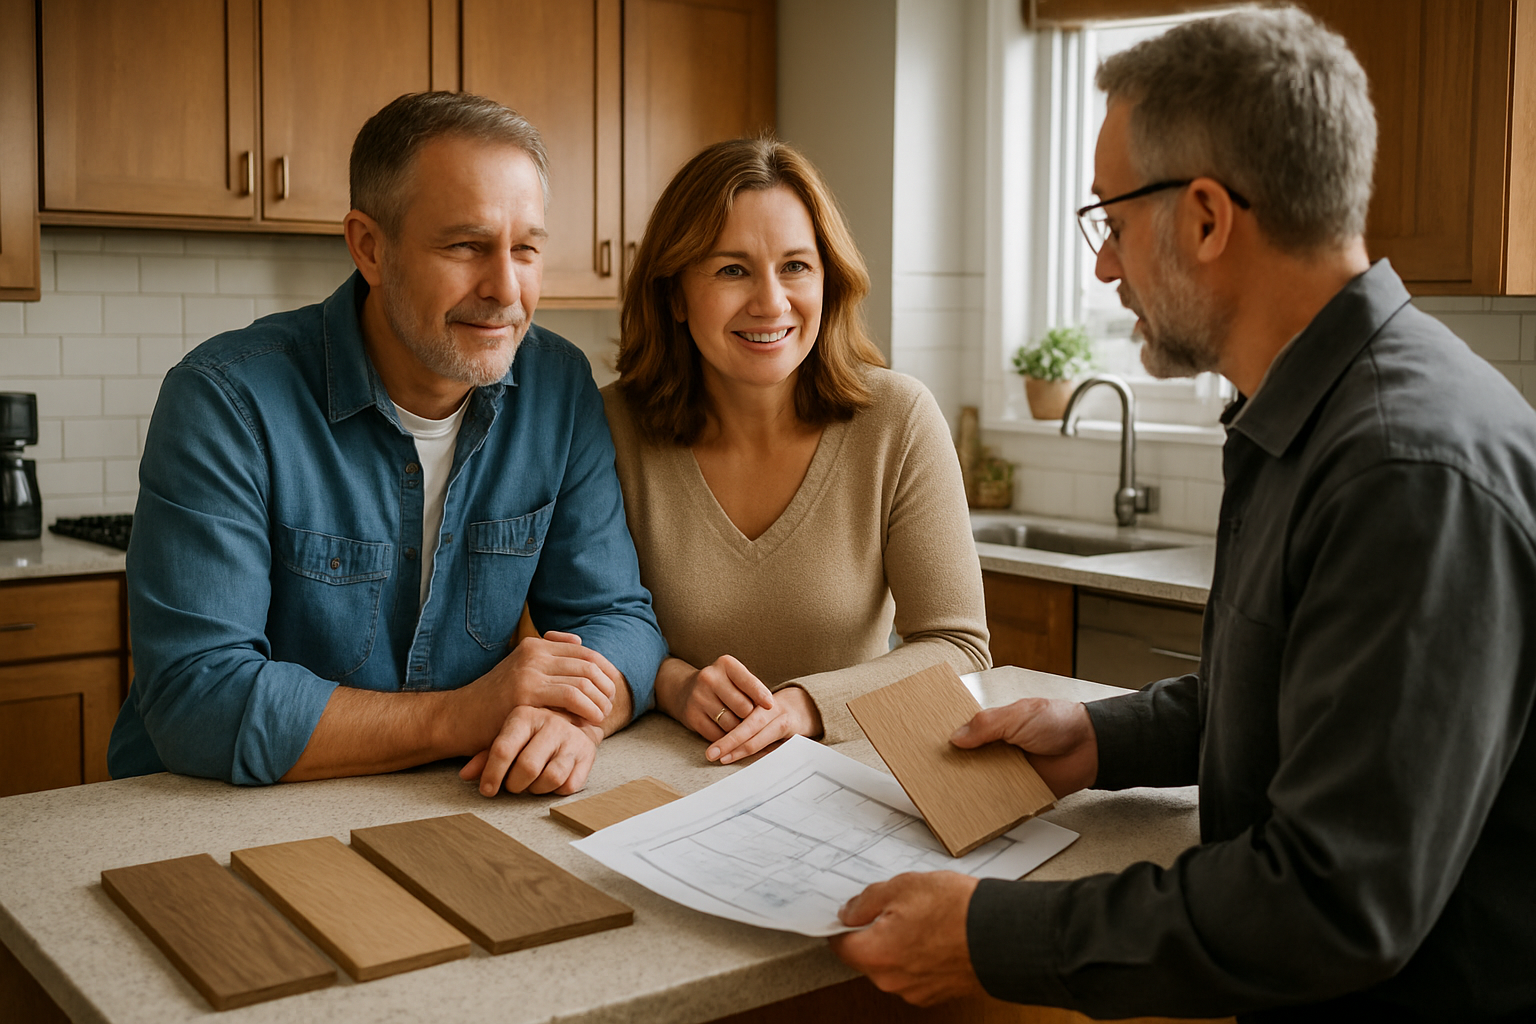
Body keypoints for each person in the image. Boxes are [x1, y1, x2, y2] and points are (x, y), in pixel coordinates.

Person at [829, 8, 1536, 1022]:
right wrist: (1096, 737)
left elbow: (1333, 902)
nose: (1106, 265)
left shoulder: (1405, 470)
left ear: (1206, 217)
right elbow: (1303, 700)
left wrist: (991, 935)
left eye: (1111, 222)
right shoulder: (1314, 416)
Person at [108, 92, 667, 797]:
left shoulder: (557, 386)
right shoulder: (226, 399)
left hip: (447, 801)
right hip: (198, 817)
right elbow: (198, 699)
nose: (505, 289)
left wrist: (573, 724)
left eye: (526, 248)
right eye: (466, 245)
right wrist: (464, 716)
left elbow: (618, 621)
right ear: (370, 246)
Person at [602, 138, 989, 763]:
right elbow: (577, 624)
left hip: (851, 776)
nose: (771, 302)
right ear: (674, 294)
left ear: (828, 279)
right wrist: (672, 684)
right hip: (659, 775)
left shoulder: (898, 420)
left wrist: (808, 706)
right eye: (732, 269)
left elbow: (958, 647)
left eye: (796, 266)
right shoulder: (611, 427)